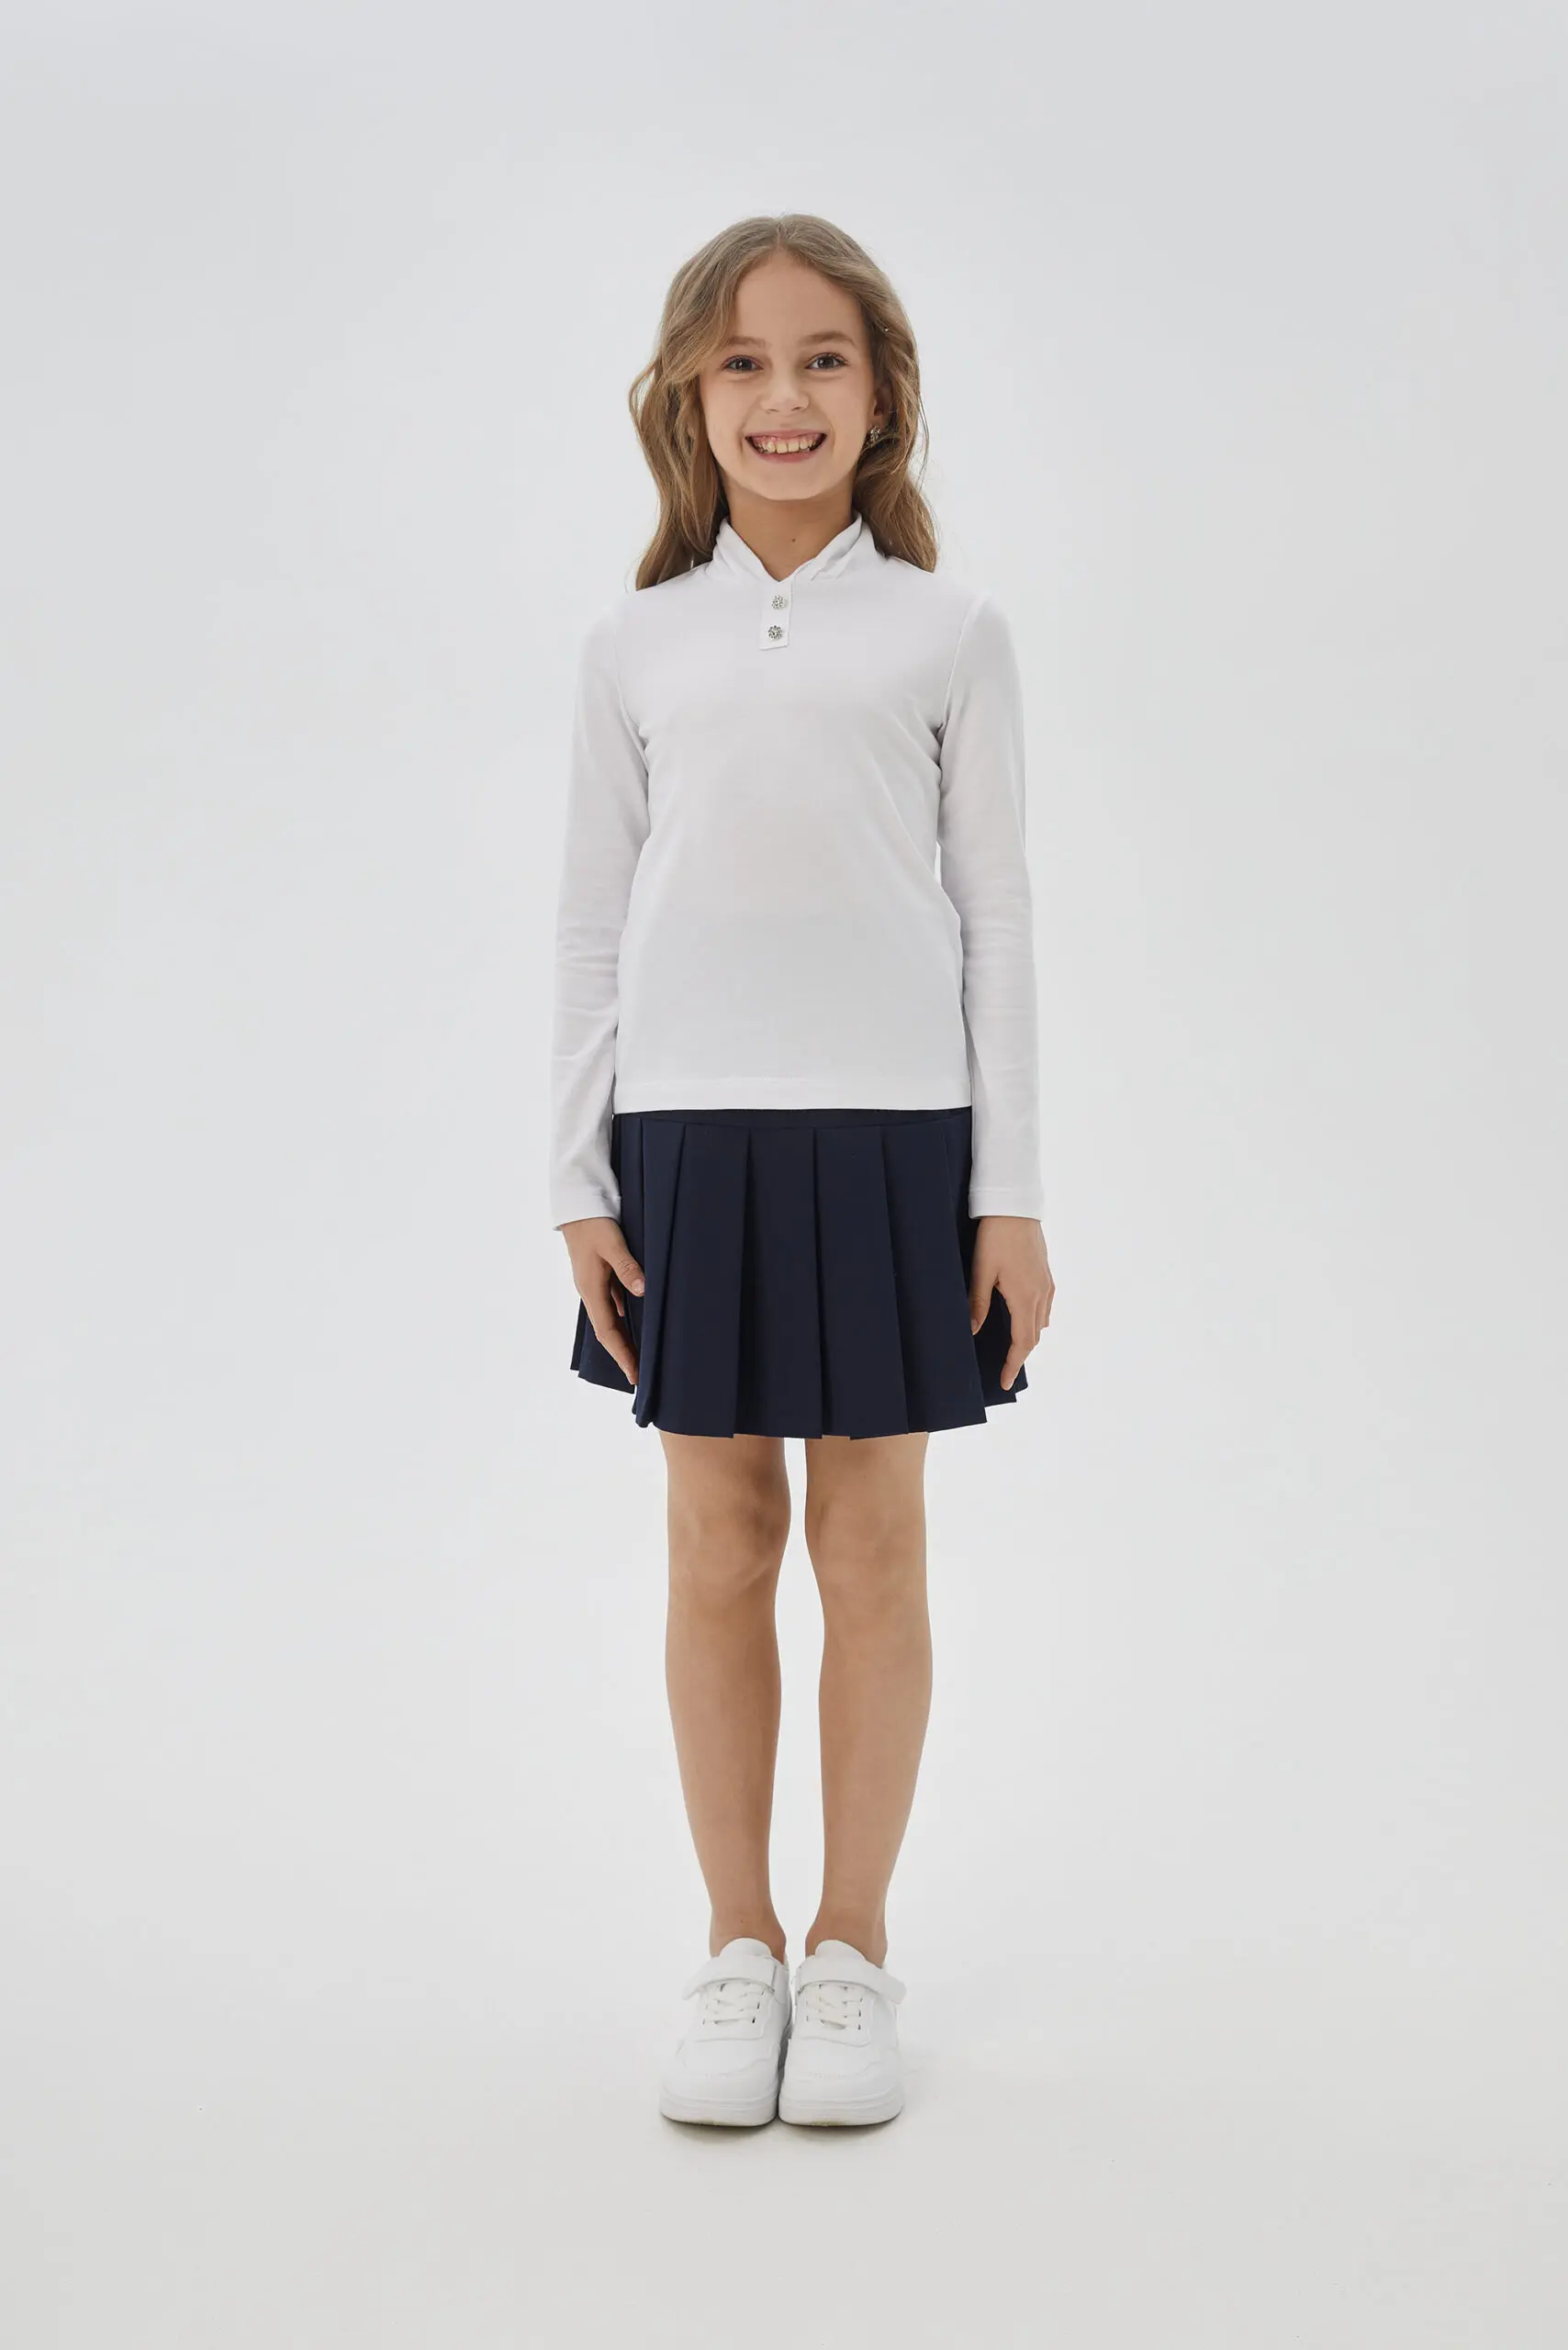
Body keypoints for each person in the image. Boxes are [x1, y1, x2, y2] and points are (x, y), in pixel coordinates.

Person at [547, 213, 1056, 2128]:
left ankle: (849, 1950)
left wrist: (1008, 1191)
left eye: (822, 357)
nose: (784, 395)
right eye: (745, 361)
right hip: (684, 1132)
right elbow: (587, 919)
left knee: (870, 1541)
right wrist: (576, 1180)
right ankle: (736, 1944)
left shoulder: (946, 631)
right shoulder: (634, 644)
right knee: (717, 1539)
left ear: (881, 393)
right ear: (691, 395)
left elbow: (997, 917)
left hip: (897, 1133)